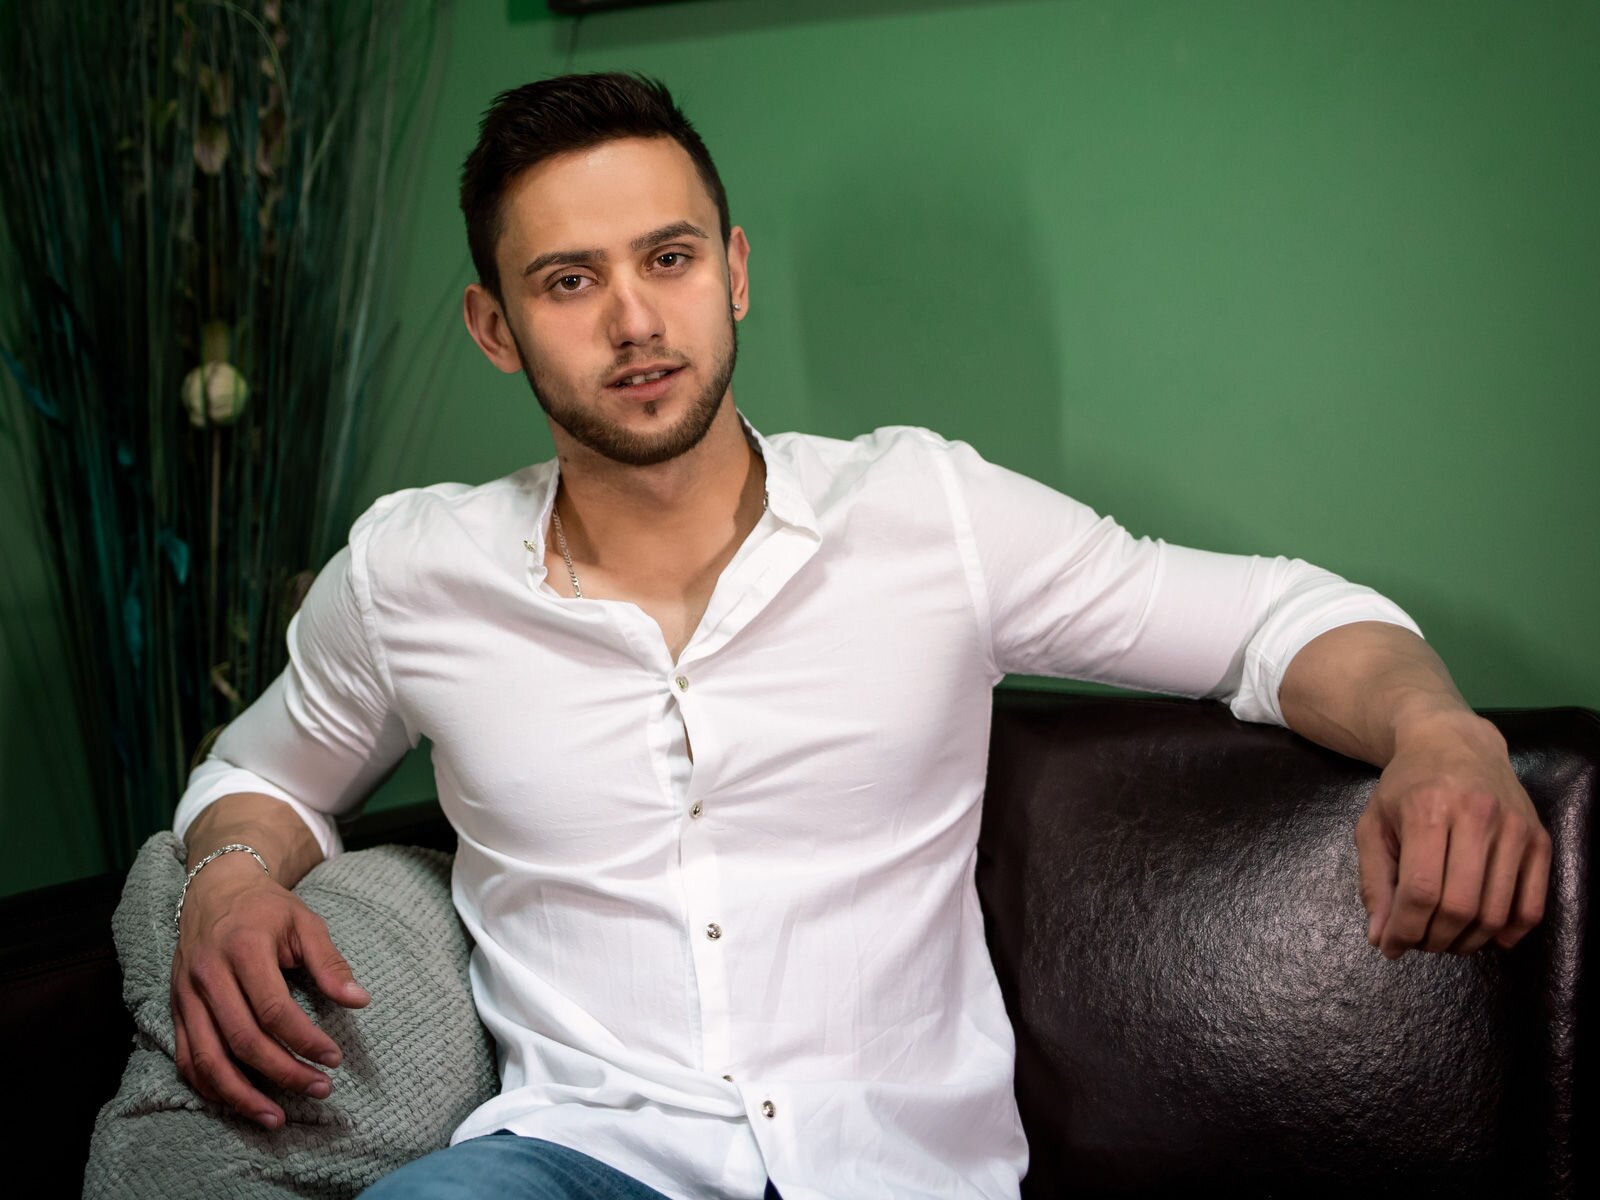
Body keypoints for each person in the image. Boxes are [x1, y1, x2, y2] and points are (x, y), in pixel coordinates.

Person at [169, 72, 1551, 1200]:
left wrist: (1440, 735)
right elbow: (263, 774)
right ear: (495, 327)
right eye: (569, 281)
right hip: (579, 1164)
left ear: (734, 273)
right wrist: (230, 883)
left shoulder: (927, 513)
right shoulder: (414, 572)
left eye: (669, 258)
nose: (636, 321)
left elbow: (1276, 620)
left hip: (897, 1172)